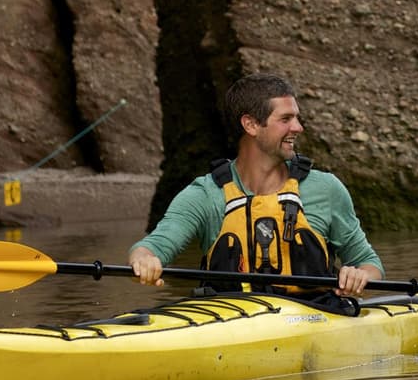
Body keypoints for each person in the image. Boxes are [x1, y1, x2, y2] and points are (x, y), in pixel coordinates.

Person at [131, 73, 382, 301]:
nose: (298, 127)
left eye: (296, 117)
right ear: (250, 125)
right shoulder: (205, 195)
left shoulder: (326, 189)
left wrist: (359, 277)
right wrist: (144, 261)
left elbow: (369, 264)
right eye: (285, 119)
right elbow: (152, 246)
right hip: (232, 323)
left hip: (315, 317)